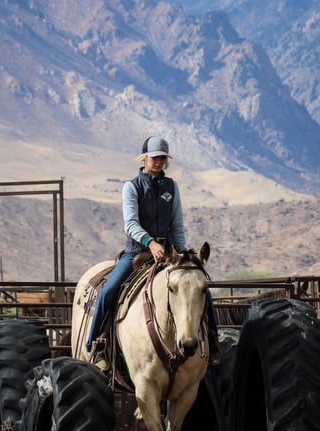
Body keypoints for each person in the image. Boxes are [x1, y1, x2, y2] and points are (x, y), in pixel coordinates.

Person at [86, 136, 220, 371]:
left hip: (170, 254)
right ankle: (96, 345)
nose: (159, 162)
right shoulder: (132, 187)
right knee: (109, 290)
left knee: (201, 291)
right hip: (137, 252)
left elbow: (176, 224)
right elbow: (130, 224)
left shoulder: (171, 187)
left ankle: (214, 344)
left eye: (162, 158)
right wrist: (150, 243)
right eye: (154, 157)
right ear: (144, 158)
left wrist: (181, 254)